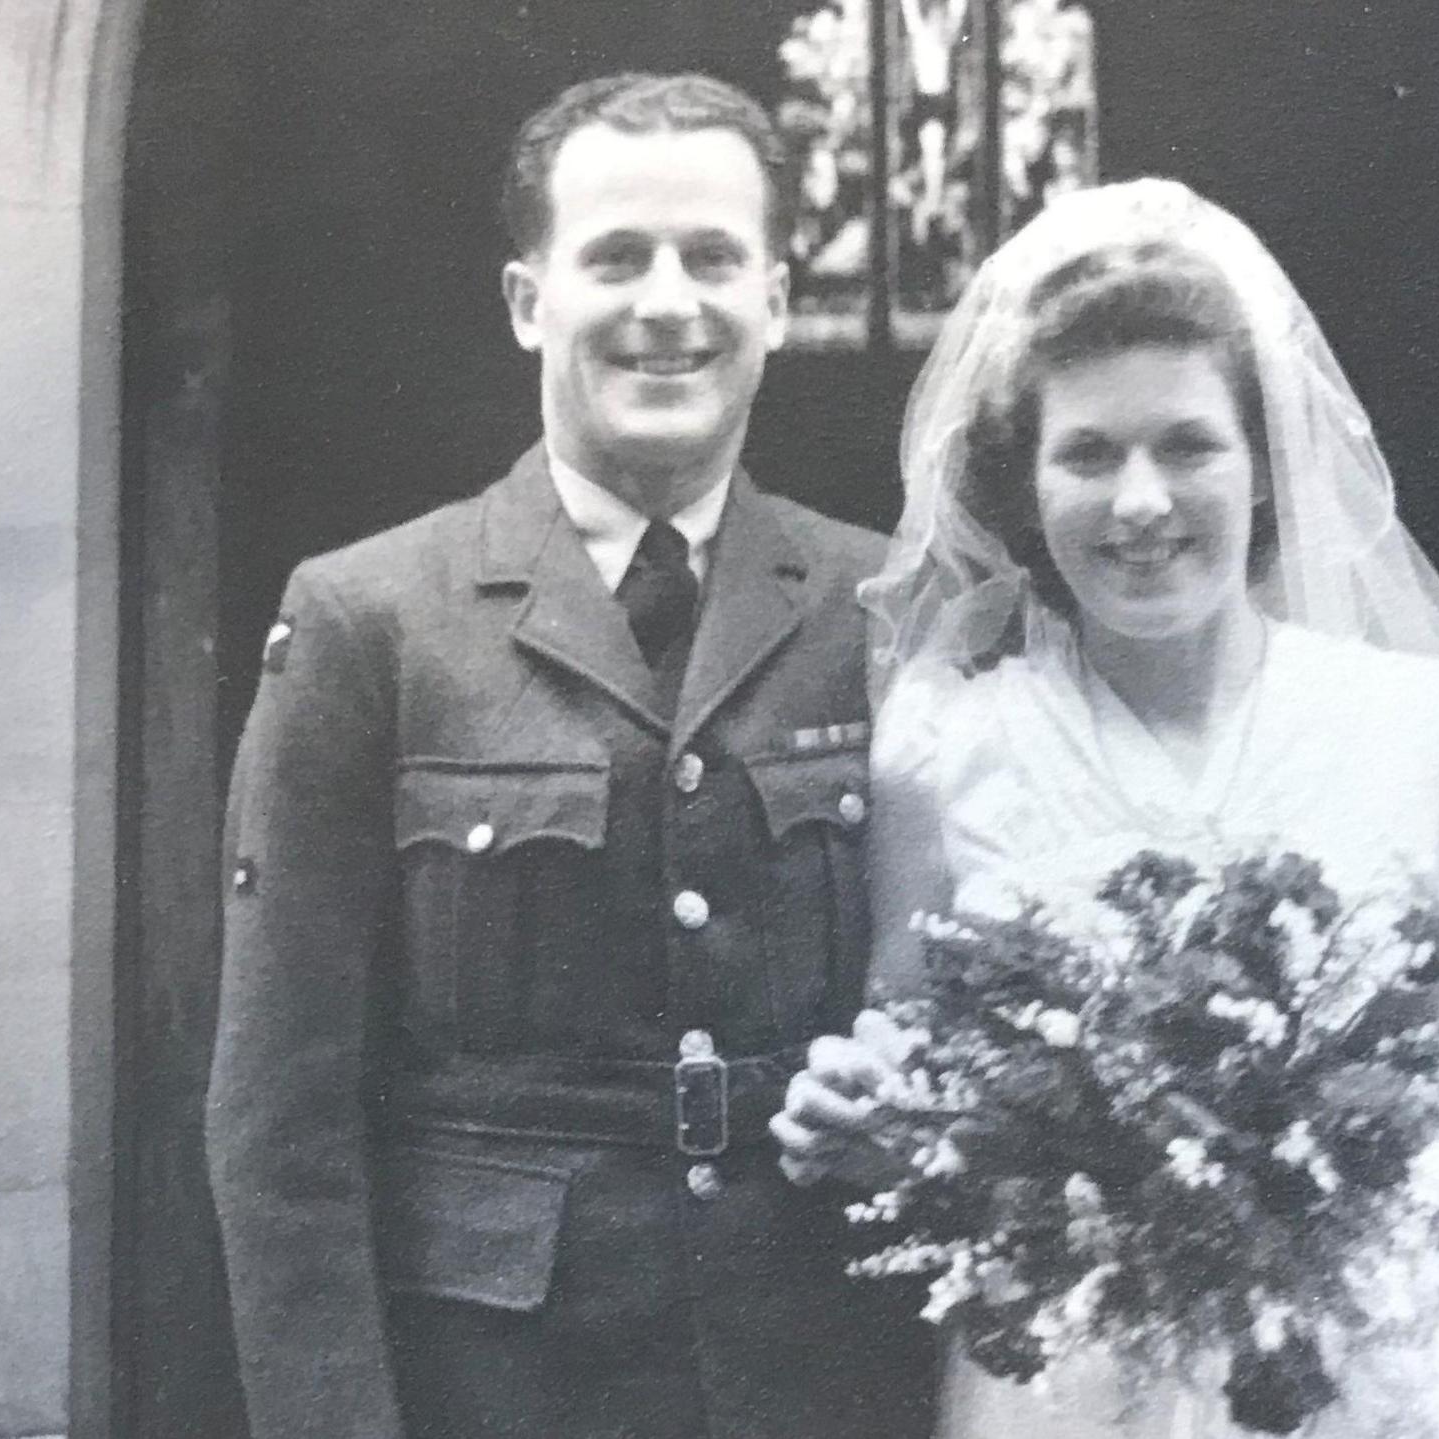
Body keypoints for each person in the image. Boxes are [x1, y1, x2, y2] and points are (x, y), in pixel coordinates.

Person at [774, 179, 1439, 1438]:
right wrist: (869, 1118)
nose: (1140, 501)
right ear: (1025, 486)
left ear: (1267, 466)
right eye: (1087, 453)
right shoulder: (948, 749)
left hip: (1370, 1382)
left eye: (1188, 444)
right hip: (1065, 1394)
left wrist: (1309, 1195)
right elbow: (915, 1084)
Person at [206, 72, 934, 1439]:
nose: (669, 302)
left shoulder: (881, 607)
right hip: (498, 1382)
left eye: (714, 257)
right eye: (616, 258)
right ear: (530, 300)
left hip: (816, 1370)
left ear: (775, 301)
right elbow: (281, 1124)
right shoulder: (375, 619)